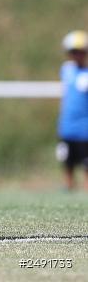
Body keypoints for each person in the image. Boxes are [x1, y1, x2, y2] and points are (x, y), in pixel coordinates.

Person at [57, 30, 88, 191]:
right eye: (73, 52)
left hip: (84, 128)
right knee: (67, 160)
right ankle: (68, 185)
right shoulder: (66, 70)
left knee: (85, 161)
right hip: (67, 126)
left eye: (81, 52)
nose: (77, 55)